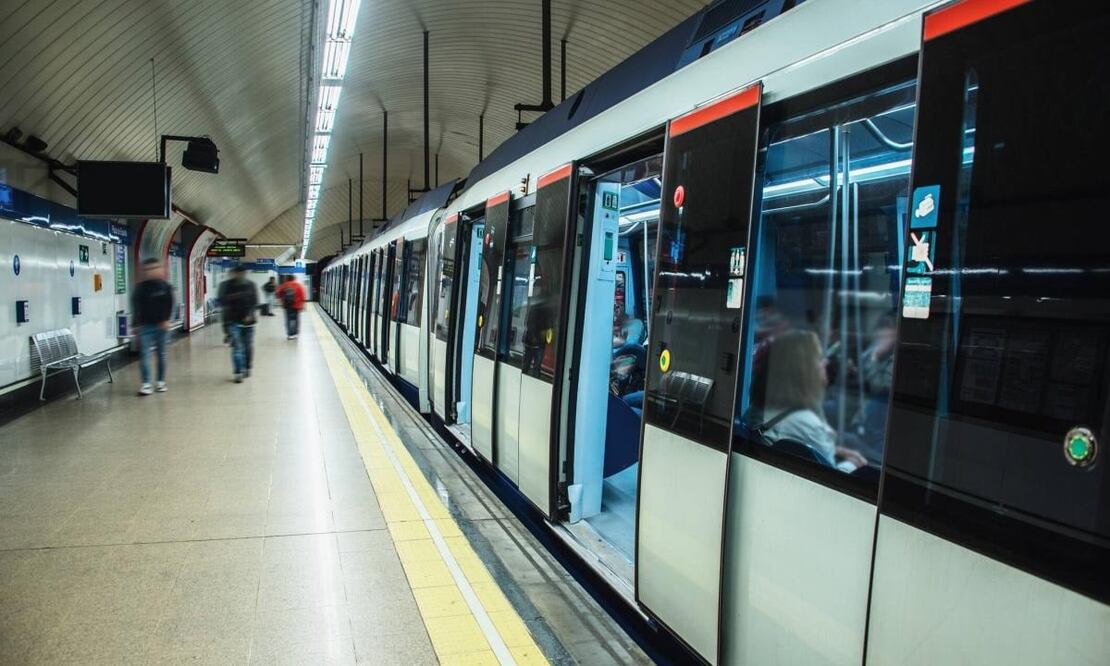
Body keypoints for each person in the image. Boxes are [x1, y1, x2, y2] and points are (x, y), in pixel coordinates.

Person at [747, 329, 868, 472]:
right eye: (819, 358)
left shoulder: (755, 409)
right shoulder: (806, 423)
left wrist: (834, 450)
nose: (825, 362)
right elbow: (831, 480)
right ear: (803, 371)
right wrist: (853, 465)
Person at [131, 258, 174, 396]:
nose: (152, 272)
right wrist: (135, 323)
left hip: (162, 326)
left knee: (161, 354)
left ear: (160, 270)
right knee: (145, 355)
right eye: (149, 269)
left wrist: (167, 320)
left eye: (155, 268)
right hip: (145, 326)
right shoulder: (140, 289)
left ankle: (160, 381)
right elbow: (136, 306)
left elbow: (170, 304)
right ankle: (146, 383)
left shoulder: (165, 287)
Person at [218, 265, 259, 382]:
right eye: (238, 273)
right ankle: (238, 372)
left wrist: (250, 315)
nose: (240, 275)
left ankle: (247, 366)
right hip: (233, 321)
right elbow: (222, 302)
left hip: (249, 323)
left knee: (247, 347)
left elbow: (255, 303)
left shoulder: (251, 285)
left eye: (242, 273)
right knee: (237, 348)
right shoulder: (226, 286)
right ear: (234, 273)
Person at [275, 275, 306, 339]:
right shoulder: (298, 285)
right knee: (296, 319)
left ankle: (290, 334)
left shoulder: (284, 285)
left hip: (287, 305)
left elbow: (278, 294)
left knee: (288, 319)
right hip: (296, 306)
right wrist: (303, 305)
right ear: (294, 278)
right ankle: (295, 333)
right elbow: (302, 296)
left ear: (287, 279)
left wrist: (282, 301)